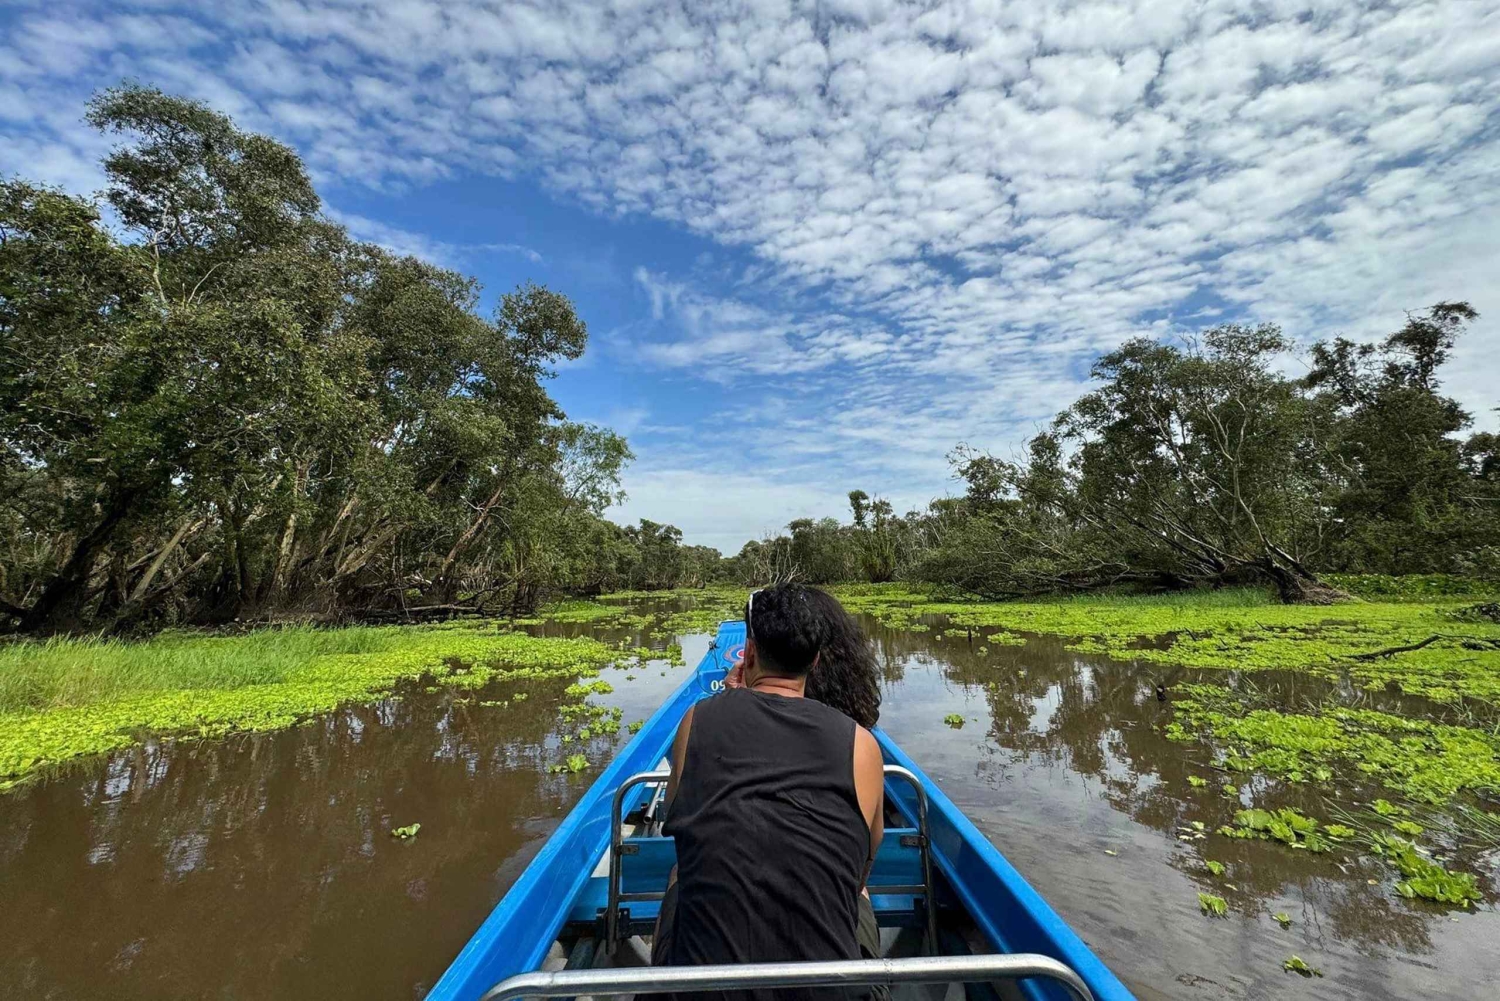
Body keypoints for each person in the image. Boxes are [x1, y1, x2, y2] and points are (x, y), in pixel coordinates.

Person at [651, 583, 886, 1001]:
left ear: (750, 653)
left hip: (702, 996)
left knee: (678, 876)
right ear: (814, 661)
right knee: (857, 889)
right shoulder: (862, 745)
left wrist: (730, 701)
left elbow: (678, 819)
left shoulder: (696, 721)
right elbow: (863, 861)